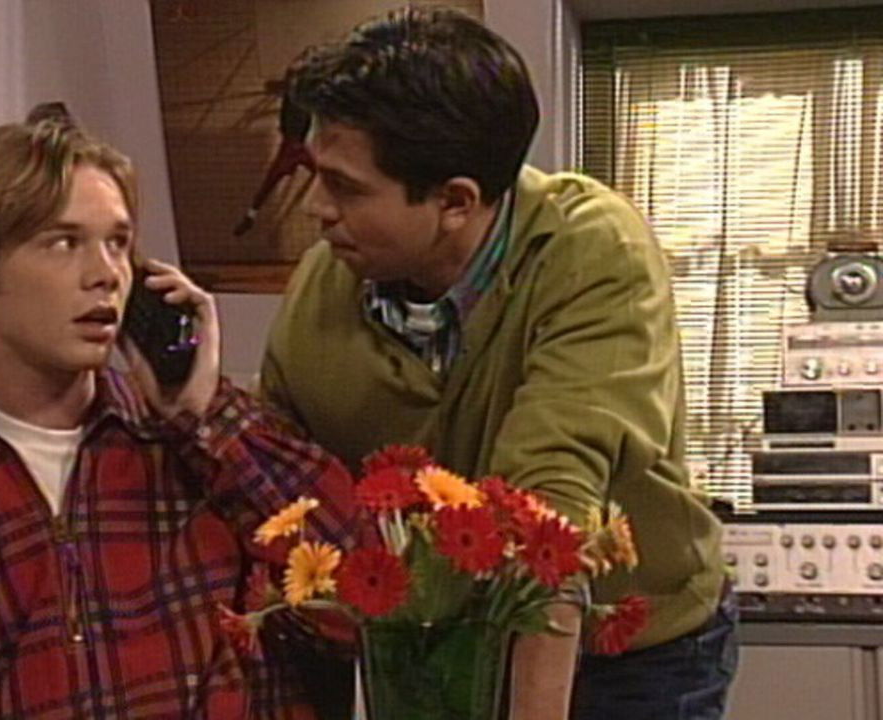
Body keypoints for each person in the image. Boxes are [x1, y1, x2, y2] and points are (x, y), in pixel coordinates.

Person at [0, 119, 362, 718]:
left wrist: (203, 413)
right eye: (63, 243)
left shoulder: (194, 447)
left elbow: (367, 602)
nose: (106, 274)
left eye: (118, 243)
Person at [261, 7, 737, 720]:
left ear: (455, 201)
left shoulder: (591, 252)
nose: (318, 210)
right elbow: (281, 481)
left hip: (628, 647)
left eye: (347, 187)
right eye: (316, 176)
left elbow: (549, 512)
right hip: (444, 645)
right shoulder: (321, 286)